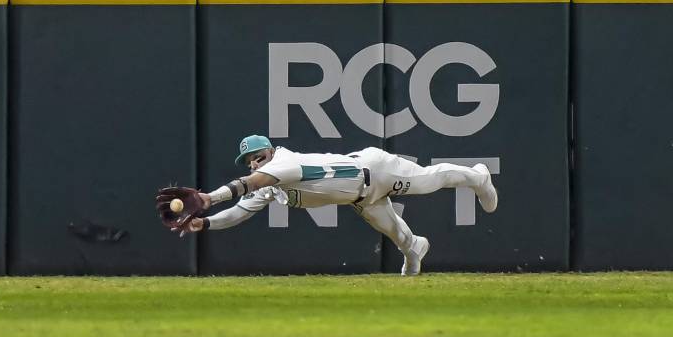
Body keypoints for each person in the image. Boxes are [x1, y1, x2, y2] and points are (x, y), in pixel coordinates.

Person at [181, 135, 497, 276]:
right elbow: (239, 212)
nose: (254, 163)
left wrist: (210, 198)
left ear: (272, 151)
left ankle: (478, 176)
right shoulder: (269, 184)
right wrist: (206, 223)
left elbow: (251, 183)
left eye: (258, 156)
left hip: (377, 170)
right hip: (359, 197)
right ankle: (415, 254)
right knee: (398, 236)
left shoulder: (285, 163)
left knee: (429, 181)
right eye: (250, 161)